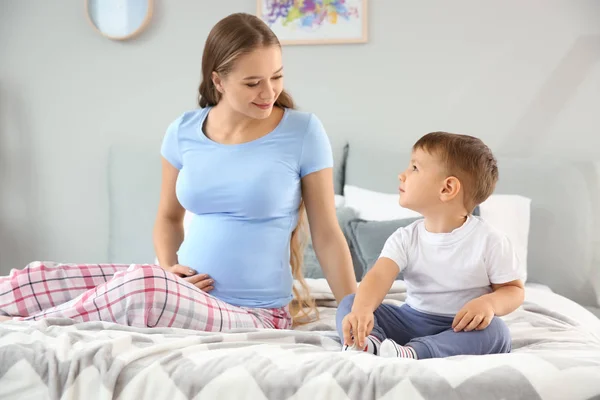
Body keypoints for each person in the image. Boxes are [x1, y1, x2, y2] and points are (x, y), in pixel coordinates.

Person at [0, 13, 357, 330]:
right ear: (218, 81)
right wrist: (170, 268)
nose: (269, 92)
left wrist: (354, 311)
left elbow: (327, 235)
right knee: (33, 280)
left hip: (254, 313)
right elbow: (169, 218)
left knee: (144, 286)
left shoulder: (304, 132)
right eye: (253, 83)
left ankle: (34, 327)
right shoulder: (183, 131)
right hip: (180, 291)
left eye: (276, 76)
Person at [336, 132, 525, 359]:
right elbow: (377, 277)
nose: (402, 175)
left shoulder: (490, 241)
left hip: (461, 327)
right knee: (351, 303)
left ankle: (413, 353)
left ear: (447, 188)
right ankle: (369, 342)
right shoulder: (405, 238)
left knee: (497, 333)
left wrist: (489, 304)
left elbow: (513, 290)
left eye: (414, 168)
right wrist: (362, 311)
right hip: (409, 320)